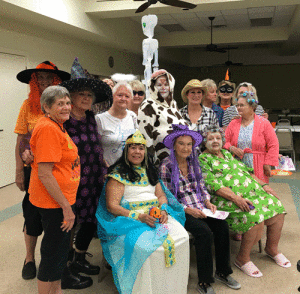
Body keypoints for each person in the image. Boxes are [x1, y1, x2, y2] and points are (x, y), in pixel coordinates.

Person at [96, 130, 189, 294]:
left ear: (145, 151)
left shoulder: (150, 170)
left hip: (156, 215)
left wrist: (164, 211)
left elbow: (161, 195)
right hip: (129, 219)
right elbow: (112, 206)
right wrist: (139, 216)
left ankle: (172, 289)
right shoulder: (117, 174)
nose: (137, 152)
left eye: (141, 148)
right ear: (126, 151)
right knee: (144, 247)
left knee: (182, 236)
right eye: (133, 148)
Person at [199, 126, 290, 278]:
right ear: (204, 142)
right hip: (226, 199)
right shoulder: (203, 159)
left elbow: (248, 172)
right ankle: (242, 258)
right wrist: (236, 198)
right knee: (254, 215)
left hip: (252, 193)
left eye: (218, 138)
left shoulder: (227, 154)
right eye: (210, 139)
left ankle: (272, 248)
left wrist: (264, 185)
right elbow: (213, 186)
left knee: (278, 208)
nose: (215, 141)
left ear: (223, 140)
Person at [160, 124, 240, 294]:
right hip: (180, 211)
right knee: (203, 232)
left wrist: (207, 201)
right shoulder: (166, 165)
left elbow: (201, 185)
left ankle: (223, 272)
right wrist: (187, 210)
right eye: (181, 143)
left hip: (200, 205)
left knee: (222, 227)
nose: (186, 148)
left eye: (189, 144)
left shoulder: (194, 162)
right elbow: (167, 197)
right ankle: (204, 281)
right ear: (174, 145)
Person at [14, 61, 70, 280]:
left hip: (59, 173)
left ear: (56, 81)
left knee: (56, 217)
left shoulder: (64, 106)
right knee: (32, 216)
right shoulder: (28, 106)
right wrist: (19, 169)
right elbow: (21, 138)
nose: (45, 82)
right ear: (34, 81)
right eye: (40, 78)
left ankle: (58, 259)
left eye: (49, 78)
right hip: (34, 172)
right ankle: (29, 258)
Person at [59, 57, 111, 289]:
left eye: (89, 95)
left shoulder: (91, 118)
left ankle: (79, 258)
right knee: (68, 224)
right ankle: (65, 267)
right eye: (82, 94)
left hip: (93, 179)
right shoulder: (62, 121)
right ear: (71, 97)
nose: (87, 98)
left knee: (90, 221)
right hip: (71, 181)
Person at [29, 86, 80, 293]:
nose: (66, 107)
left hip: (60, 199)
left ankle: (56, 290)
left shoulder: (56, 124)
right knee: (52, 253)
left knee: (59, 253)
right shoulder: (49, 128)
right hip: (54, 203)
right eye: (60, 104)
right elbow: (45, 173)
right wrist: (66, 208)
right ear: (46, 107)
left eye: (68, 102)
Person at [224, 91, 279, 184]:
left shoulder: (264, 123)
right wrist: (231, 148)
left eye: (242, 105)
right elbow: (224, 141)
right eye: (237, 105)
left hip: (259, 164)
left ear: (252, 107)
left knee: (258, 192)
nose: (238, 108)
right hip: (237, 164)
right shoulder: (233, 123)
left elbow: (273, 144)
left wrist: (267, 163)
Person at [138, 69, 186, 166]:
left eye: (166, 85)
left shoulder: (173, 104)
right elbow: (145, 138)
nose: (163, 88)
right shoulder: (148, 105)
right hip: (161, 163)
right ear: (153, 87)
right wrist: (153, 164)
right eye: (159, 85)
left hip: (179, 159)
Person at [95, 81, 138, 166]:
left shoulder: (132, 116)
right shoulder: (100, 118)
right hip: (108, 170)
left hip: (130, 169)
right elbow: (96, 147)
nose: (123, 99)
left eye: (127, 96)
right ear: (113, 96)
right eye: (120, 95)